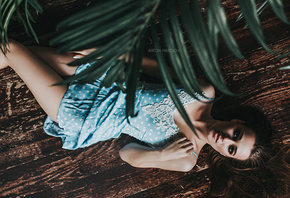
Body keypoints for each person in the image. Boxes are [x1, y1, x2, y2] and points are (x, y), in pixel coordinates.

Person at [0, 40, 288, 197]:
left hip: (90, 117)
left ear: (226, 156)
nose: (226, 140)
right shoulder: (204, 92)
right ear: (237, 122)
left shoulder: (186, 160)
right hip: (106, 79)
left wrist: (162, 154)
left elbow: (127, 155)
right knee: (27, 50)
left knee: (11, 49)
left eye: (232, 149)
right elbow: (153, 65)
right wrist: (106, 54)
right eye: (236, 134)